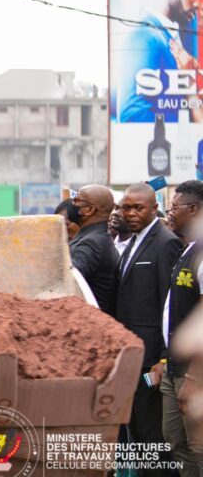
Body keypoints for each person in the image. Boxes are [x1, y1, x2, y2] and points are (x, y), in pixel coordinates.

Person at [116, 182, 184, 474]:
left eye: (137, 208)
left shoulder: (165, 242)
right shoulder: (132, 242)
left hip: (151, 360)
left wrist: (163, 357)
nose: (130, 214)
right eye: (125, 208)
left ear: (154, 208)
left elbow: (167, 304)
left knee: (153, 438)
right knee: (139, 437)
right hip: (132, 354)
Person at [153, 180, 203, 474]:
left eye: (174, 207)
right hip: (174, 366)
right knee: (175, 440)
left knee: (198, 446)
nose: (169, 213)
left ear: (194, 209)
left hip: (194, 370)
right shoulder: (188, 249)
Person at [68, 185, 121, 316]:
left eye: (77, 200)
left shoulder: (91, 243)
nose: (72, 203)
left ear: (89, 210)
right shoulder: (97, 237)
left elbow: (69, 280)